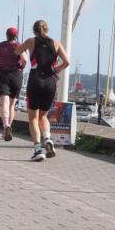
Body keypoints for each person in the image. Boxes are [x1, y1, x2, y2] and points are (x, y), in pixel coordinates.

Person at [14, 20, 71, 161]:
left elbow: (17, 51)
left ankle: (38, 150)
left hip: (35, 80)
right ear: (47, 29)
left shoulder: (30, 41)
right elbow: (67, 62)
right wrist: (57, 68)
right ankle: (48, 138)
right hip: (50, 82)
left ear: (34, 30)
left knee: (33, 118)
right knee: (43, 116)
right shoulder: (56, 43)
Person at [0, 27, 26, 141]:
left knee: (4, 101)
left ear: (6, 35)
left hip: (2, 74)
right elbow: (25, 60)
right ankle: (9, 126)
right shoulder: (19, 46)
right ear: (16, 36)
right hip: (16, 75)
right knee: (11, 105)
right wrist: (20, 66)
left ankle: (6, 125)